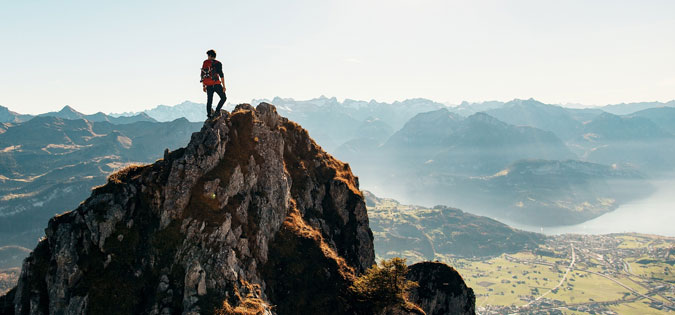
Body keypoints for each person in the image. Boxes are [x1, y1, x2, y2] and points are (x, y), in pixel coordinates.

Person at [201, 49, 227, 119]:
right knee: (223, 98)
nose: (207, 57)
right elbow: (221, 75)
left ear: (210, 55)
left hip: (208, 85)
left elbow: (202, 74)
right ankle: (217, 111)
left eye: (208, 56)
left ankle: (209, 115)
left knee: (209, 100)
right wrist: (224, 86)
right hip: (216, 84)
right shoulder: (218, 63)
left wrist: (204, 85)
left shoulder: (205, 62)